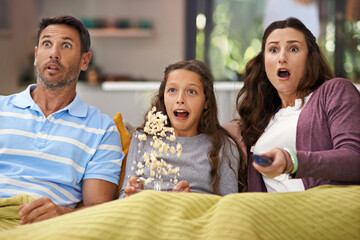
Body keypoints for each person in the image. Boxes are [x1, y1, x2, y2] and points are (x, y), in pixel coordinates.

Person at [0, 15, 124, 224]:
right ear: (36, 55)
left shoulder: (102, 130)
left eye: (66, 45)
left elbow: (99, 210)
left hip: (49, 228)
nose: (54, 54)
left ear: (85, 60)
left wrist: (60, 214)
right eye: (47, 44)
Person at [235, 17, 360, 192]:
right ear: (264, 63)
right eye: (273, 49)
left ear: (310, 58)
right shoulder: (263, 121)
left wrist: (291, 161)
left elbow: (355, 159)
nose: (282, 57)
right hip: (270, 212)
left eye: (293, 48)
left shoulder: (334, 91)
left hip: (319, 209)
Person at [119, 60, 246, 198]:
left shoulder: (224, 146)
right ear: (163, 98)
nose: (180, 99)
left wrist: (191, 198)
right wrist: (132, 192)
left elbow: (230, 205)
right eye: (172, 90)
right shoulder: (142, 138)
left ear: (206, 102)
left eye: (191, 91)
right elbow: (123, 196)